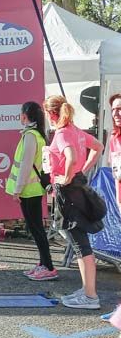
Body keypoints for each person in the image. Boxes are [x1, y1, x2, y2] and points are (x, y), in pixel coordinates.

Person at [45, 95, 104, 309]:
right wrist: (82, 171)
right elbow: (98, 146)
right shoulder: (76, 131)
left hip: (69, 191)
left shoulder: (62, 133)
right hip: (76, 187)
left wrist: (67, 177)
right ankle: (87, 291)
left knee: (79, 243)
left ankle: (90, 296)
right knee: (79, 242)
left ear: (51, 113)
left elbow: (69, 156)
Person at [7, 102, 56, 280]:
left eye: (21, 113)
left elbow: (26, 166)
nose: (20, 116)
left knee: (36, 229)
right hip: (33, 189)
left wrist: (17, 190)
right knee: (35, 229)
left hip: (29, 190)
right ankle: (43, 263)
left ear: (25, 115)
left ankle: (48, 266)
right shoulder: (37, 135)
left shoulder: (30, 136)